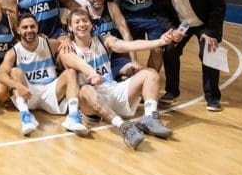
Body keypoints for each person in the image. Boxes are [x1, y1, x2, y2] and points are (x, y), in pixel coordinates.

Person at [61, 9, 174, 150]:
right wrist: (92, 73)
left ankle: (149, 118)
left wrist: (159, 42)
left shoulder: (104, 40)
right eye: (77, 22)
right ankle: (124, 127)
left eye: (85, 21)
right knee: (85, 89)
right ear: (70, 27)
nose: (82, 24)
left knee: (150, 73)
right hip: (90, 102)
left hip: (113, 90)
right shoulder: (66, 48)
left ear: (91, 24)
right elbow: (78, 63)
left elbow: (129, 45)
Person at [0, 13, 88, 136]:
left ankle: (73, 117)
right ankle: (26, 116)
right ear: (18, 30)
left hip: (50, 90)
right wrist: (18, 85)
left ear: (37, 28)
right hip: (28, 92)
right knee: (15, 71)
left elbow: (64, 41)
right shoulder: (13, 52)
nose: (29, 30)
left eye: (32, 27)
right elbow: (0, 75)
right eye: (25, 27)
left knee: (70, 72)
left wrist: (65, 40)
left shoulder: (50, 44)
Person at [159, 0, 227, 111]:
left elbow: (219, 4)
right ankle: (171, 91)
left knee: (209, 50)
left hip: (205, 22)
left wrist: (211, 32)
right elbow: (160, 11)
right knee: (170, 50)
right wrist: (172, 29)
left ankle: (213, 97)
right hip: (182, 24)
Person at [84, 0, 139, 79]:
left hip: (114, 57)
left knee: (135, 71)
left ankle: (119, 76)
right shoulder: (83, 12)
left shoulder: (111, 7)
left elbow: (126, 34)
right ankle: (117, 78)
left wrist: (134, 61)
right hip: (93, 59)